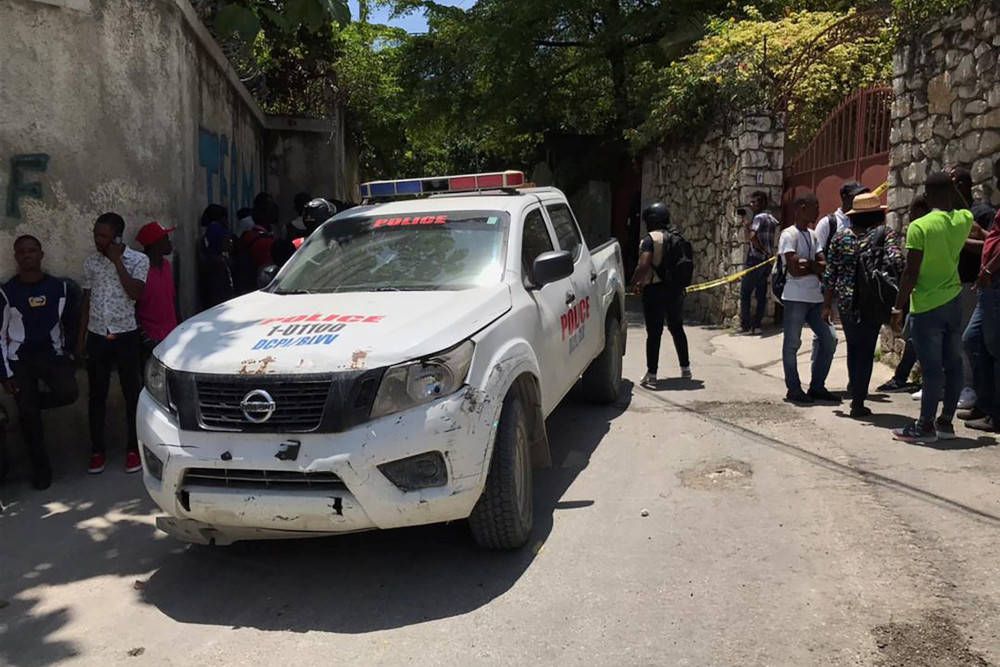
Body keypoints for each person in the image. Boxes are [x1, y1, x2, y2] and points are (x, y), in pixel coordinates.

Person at [891, 172, 977, 444]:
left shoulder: (920, 226)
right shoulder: (961, 220)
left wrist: (897, 306)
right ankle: (945, 423)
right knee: (952, 366)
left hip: (927, 305)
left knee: (931, 370)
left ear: (926, 196)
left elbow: (911, 272)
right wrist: (954, 189)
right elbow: (965, 208)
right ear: (952, 192)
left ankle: (924, 426)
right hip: (953, 301)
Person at [0, 236, 80, 489]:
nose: (27, 256)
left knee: (69, 393)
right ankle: (41, 469)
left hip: (51, 356)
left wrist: (69, 353)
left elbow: (71, 323)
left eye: (32, 251)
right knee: (29, 418)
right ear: (16, 257)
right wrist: (5, 374)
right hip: (19, 360)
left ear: (41, 255)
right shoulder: (7, 293)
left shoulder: (59, 288)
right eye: (21, 252)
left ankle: (31, 402)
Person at [79, 213, 148, 474]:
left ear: (117, 238)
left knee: (133, 394)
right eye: (95, 234)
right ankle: (97, 451)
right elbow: (86, 301)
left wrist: (117, 261)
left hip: (126, 335)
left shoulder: (138, 261)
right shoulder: (91, 263)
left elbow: (136, 293)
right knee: (96, 395)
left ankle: (133, 449)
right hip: (97, 335)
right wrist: (81, 338)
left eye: (103, 236)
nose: (97, 240)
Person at [823, 192, 904, 418]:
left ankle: (854, 387)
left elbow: (831, 273)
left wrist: (826, 305)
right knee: (867, 350)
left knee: (853, 347)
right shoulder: (883, 234)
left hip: (847, 302)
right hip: (873, 301)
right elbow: (897, 261)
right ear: (877, 214)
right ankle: (858, 401)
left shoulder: (840, 238)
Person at [779, 193, 839, 404]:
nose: (818, 210)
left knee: (830, 339)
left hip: (815, 297)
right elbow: (794, 268)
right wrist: (813, 266)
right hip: (795, 297)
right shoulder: (788, 235)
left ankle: (817, 386)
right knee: (792, 343)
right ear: (802, 208)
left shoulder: (813, 236)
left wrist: (809, 264)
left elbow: (825, 265)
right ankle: (793, 388)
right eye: (815, 206)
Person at [958, 159, 1000, 433]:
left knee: (995, 348)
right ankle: (985, 404)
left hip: (994, 282)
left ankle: (995, 413)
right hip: (987, 284)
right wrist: (984, 235)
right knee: (972, 340)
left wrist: (987, 268)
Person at [632, 202, 692, 387]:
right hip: (675, 290)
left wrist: (635, 281)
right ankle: (685, 368)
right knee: (677, 327)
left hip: (655, 290)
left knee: (654, 332)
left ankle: (652, 373)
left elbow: (644, 265)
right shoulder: (677, 237)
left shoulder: (651, 239)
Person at [877, 195, 931, 393]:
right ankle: (903, 378)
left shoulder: (924, 233)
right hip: (920, 297)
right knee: (913, 339)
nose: (912, 222)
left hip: (928, 299)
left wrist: (898, 307)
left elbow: (910, 271)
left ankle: (915, 380)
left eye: (915, 216)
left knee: (918, 339)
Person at [135, 222, 179, 366]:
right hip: (151, 339)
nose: (169, 242)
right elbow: (133, 306)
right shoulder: (140, 269)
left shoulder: (166, 265)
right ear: (155, 244)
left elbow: (172, 299)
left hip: (171, 336)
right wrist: (144, 339)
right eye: (165, 238)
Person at [738, 191, 779, 335]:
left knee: (746, 291)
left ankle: (745, 325)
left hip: (756, 259)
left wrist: (749, 229)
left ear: (761, 202)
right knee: (761, 293)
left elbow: (753, 237)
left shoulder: (758, 218)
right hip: (766, 262)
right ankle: (757, 325)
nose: (751, 205)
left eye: (753, 202)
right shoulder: (772, 219)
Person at [814, 181, 870, 255]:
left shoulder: (864, 222)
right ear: (844, 197)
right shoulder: (828, 223)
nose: (859, 199)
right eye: (856, 196)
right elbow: (816, 252)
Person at [199, 220, 235, 311]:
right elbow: (217, 294)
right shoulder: (214, 264)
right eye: (226, 239)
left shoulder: (220, 259)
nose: (230, 242)